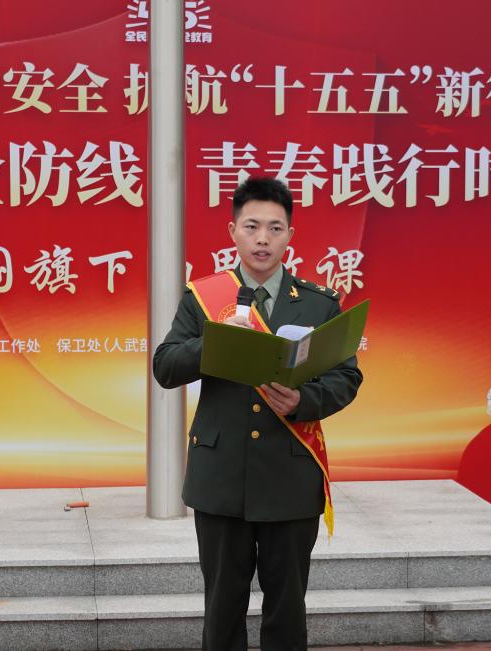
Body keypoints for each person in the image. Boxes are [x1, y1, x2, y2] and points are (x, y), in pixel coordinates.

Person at [153, 176, 363, 650]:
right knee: (222, 609)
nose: (262, 239)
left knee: (286, 609)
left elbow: (346, 378)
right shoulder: (204, 298)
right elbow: (165, 367)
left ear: (290, 235)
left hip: (289, 477)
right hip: (220, 477)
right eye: (251, 227)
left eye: (274, 228)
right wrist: (215, 341)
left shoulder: (319, 303)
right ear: (233, 231)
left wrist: (303, 401)